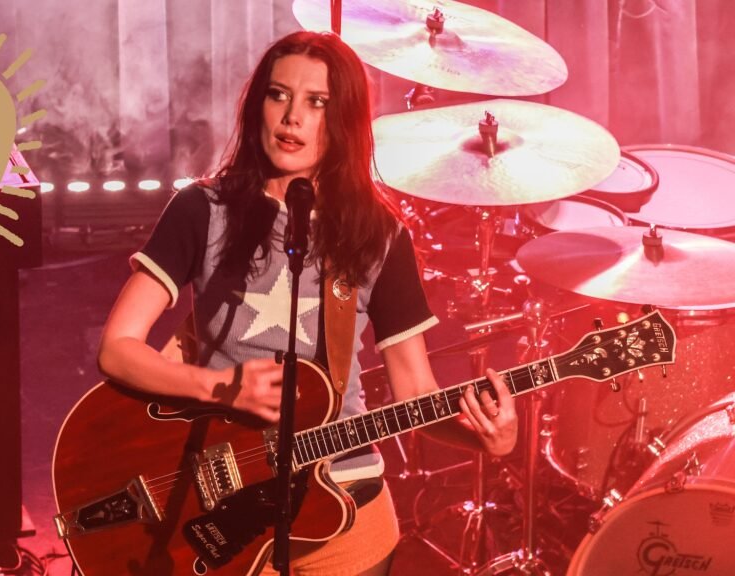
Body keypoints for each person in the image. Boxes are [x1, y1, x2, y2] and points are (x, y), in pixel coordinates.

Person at [97, 31, 518, 575]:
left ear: (343, 120)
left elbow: (415, 392)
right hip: (225, 498)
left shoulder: (381, 235)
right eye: (278, 95)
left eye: (317, 102)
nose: (292, 117)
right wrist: (219, 388)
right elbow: (117, 349)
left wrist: (488, 441)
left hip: (344, 500)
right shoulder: (202, 209)